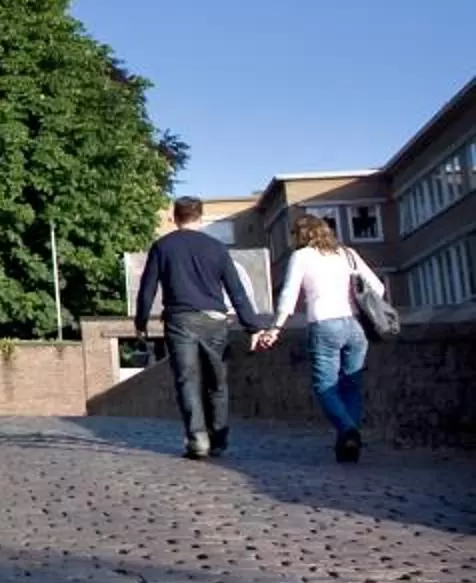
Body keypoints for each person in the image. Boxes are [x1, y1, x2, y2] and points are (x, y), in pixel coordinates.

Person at [135, 196, 271, 460]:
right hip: (215, 320)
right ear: (200, 217)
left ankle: (197, 438)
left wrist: (141, 322)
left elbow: (147, 288)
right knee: (216, 382)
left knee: (187, 380)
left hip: (180, 320)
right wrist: (252, 327)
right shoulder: (217, 248)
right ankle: (219, 438)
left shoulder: (163, 246)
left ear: (174, 216)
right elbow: (236, 290)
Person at [256, 211, 386, 462]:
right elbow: (378, 288)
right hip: (356, 325)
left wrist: (275, 328)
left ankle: (348, 430)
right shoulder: (348, 254)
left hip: (324, 324)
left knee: (325, 385)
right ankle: (348, 442)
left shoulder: (302, 256)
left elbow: (289, 294)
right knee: (352, 385)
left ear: (300, 236)